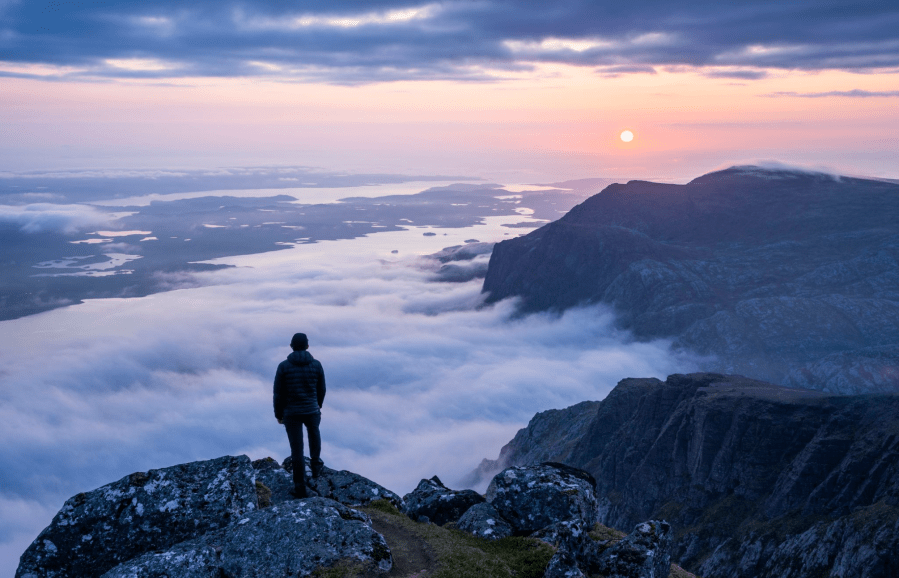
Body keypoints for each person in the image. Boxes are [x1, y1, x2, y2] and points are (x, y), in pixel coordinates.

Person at [273, 332, 326, 498]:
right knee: (314, 435)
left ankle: (299, 487)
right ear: (307, 346)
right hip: (311, 410)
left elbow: (278, 394)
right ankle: (316, 467)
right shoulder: (316, 365)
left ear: (291, 346)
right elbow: (322, 389)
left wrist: (278, 414)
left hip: (291, 413)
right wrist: (318, 405)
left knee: (297, 449)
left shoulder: (283, 366)